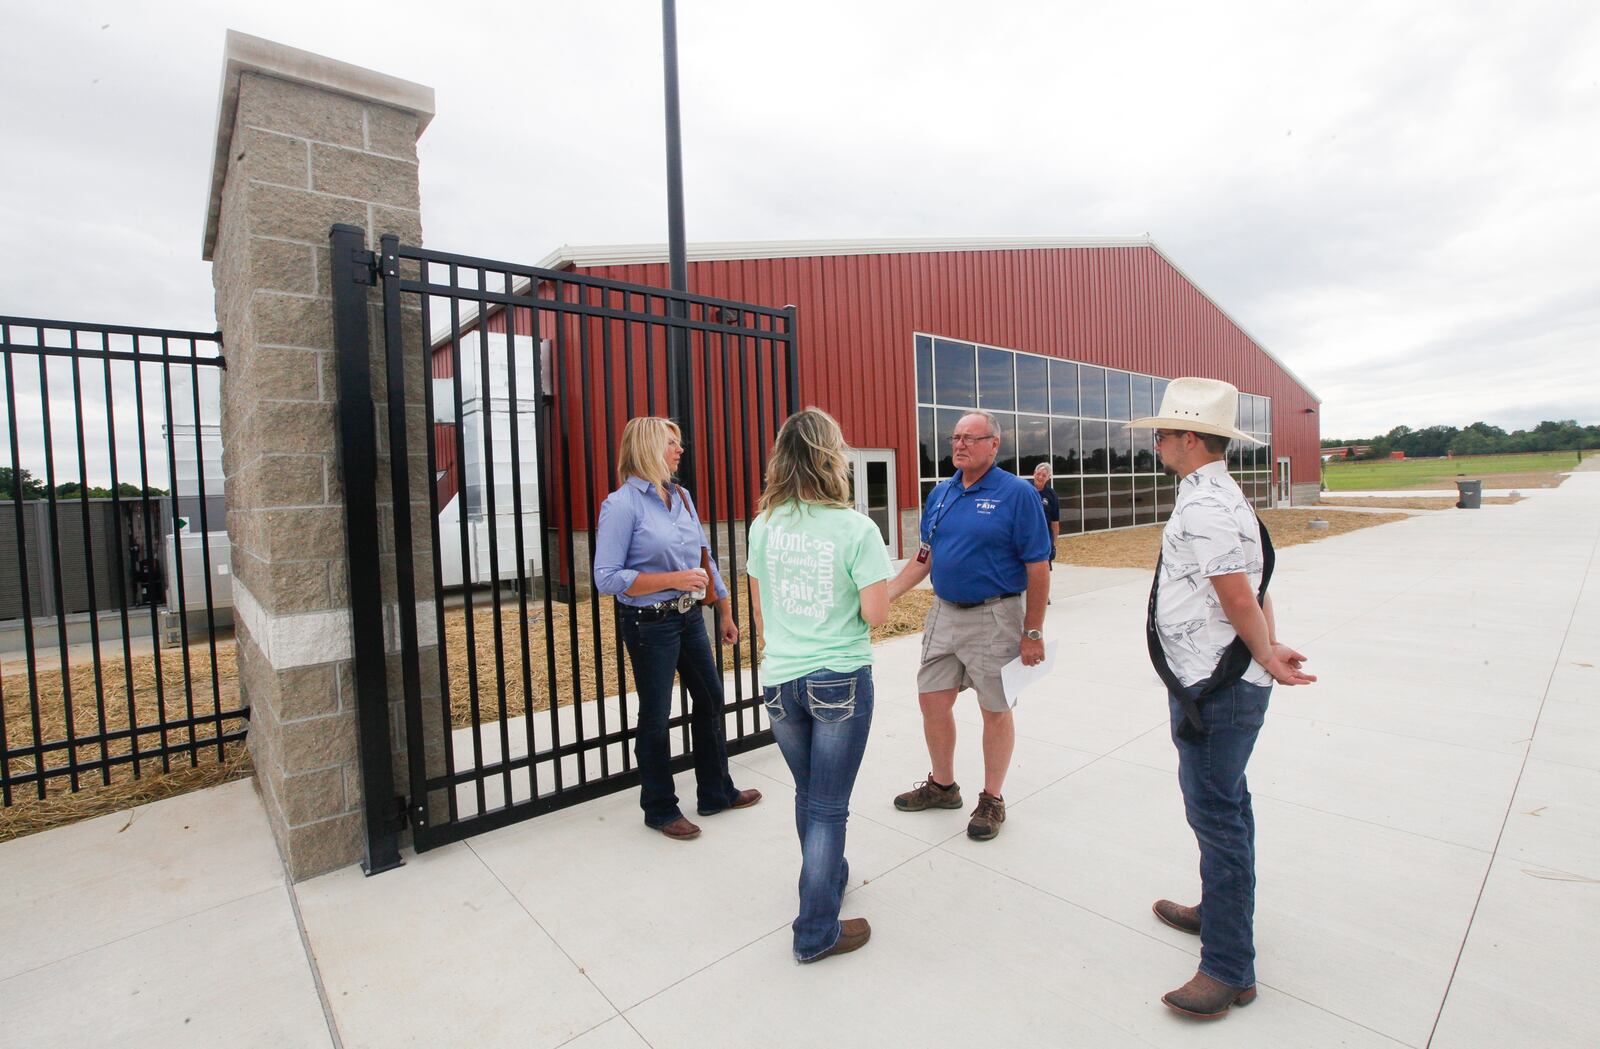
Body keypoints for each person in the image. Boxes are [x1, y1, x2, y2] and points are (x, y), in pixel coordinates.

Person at [1127, 377, 1317, 1020]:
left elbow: (1236, 590)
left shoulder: (1206, 506)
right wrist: (1269, 643)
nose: (1155, 442)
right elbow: (1254, 582)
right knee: (1228, 807)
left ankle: (1229, 968)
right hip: (1222, 677)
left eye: (1161, 433)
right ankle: (1219, 909)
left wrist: (1264, 652)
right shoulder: (1221, 497)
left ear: (1187, 438)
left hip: (1216, 687)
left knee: (1216, 816)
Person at [747, 407, 892, 963]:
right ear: (832, 458)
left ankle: (824, 879)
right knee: (830, 806)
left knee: (810, 794)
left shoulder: (764, 525)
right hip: (839, 677)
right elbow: (875, 614)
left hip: (781, 679)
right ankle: (815, 931)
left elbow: (764, 615)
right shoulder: (856, 528)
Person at [884, 410, 1052, 840]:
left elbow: (1038, 566)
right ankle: (943, 786)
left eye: (970, 439)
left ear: (994, 444)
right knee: (932, 700)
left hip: (995, 615)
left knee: (994, 708)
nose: (959, 445)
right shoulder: (941, 493)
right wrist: (884, 594)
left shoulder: (1016, 493)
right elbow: (925, 556)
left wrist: (1032, 631)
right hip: (944, 612)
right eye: (955, 438)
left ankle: (992, 799)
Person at [593, 417, 761, 840]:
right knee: (656, 716)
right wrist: (672, 580)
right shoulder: (622, 505)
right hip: (649, 624)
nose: (680, 450)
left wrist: (723, 609)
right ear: (649, 447)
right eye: (672, 443)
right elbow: (606, 577)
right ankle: (660, 808)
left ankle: (716, 792)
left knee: (710, 699)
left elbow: (703, 557)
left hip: (689, 618)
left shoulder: (681, 497)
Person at [1032, 463, 1060, 601]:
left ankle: (1043, 595)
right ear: (1034, 473)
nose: (1040, 477)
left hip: (1044, 534)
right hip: (1027, 533)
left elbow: (1055, 521)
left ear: (1049, 477)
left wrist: (1054, 544)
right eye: (1039, 473)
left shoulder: (1051, 495)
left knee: (1044, 566)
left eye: (1044, 475)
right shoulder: (1025, 489)